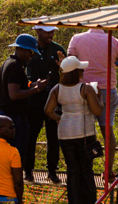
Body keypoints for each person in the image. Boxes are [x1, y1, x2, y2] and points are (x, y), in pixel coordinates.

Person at [43, 57, 102, 204]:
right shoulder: (86, 88)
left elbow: (48, 110)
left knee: (73, 171)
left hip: (65, 133)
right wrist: (99, 97)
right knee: (86, 170)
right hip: (85, 133)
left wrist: (60, 118)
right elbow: (97, 111)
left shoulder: (57, 89)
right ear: (76, 72)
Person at [66, 28, 118, 141]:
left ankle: (87, 158)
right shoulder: (113, 41)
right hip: (106, 90)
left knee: (84, 132)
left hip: (83, 90)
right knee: (107, 132)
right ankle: (109, 159)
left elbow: (70, 63)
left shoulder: (76, 39)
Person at [0, 34, 47, 181]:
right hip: (14, 117)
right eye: (30, 53)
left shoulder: (8, 63)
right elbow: (14, 94)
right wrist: (37, 90)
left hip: (8, 115)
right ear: (23, 50)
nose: (31, 57)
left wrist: (32, 84)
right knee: (16, 157)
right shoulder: (15, 66)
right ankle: (13, 187)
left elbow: (16, 85)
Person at [26, 26, 65, 184]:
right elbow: (22, 76)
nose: (50, 35)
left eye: (52, 32)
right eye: (46, 32)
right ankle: (28, 171)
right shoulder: (29, 49)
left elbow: (68, 75)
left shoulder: (58, 50)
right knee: (31, 136)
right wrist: (32, 84)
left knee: (53, 137)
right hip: (33, 100)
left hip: (54, 100)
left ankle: (52, 171)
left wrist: (64, 66)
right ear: (37, 31)